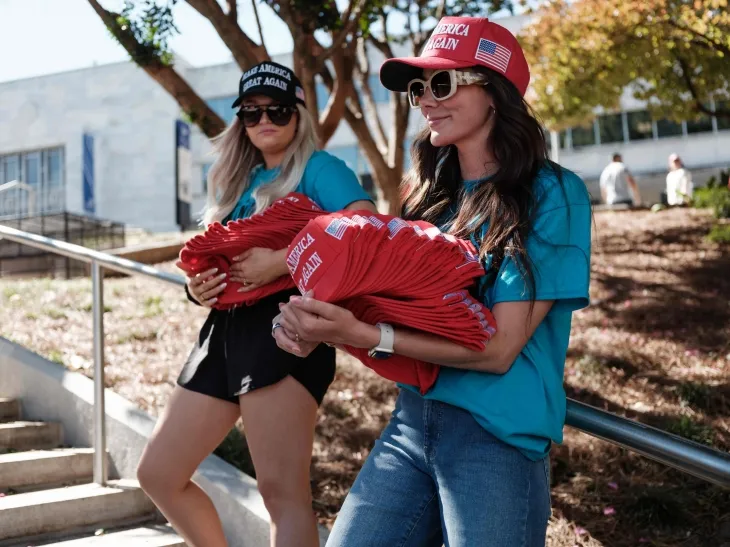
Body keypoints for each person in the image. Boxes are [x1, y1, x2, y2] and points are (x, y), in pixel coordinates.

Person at [274, 16, 592, 547]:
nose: (424, 99)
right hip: (412, 423)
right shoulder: (427, 196)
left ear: (496, 93)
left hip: (496, 438)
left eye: (441, 83)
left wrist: (365, 337)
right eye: (418, 88)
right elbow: (386, 315)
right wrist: (320, 326)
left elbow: (497, 348)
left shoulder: (553, 194)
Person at [135, 61, 376, 547]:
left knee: (282, 495)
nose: (264, 120)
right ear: (240, 121)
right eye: (251, 112)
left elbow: (366, 227)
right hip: (221, 332)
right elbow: (223, 259)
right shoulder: (238, 179)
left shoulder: (319, 168)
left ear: (299, 115)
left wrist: (283, 262)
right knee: (159, 473)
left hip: (284, 329)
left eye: (278, 110)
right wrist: (197, 287)